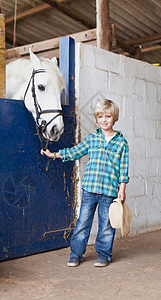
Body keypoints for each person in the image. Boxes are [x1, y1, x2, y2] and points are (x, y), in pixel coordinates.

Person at [41, 99, 129, 268]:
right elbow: (75, 151)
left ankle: (104, 255)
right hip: (89, 189)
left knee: (106, 225)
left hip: (109, 191)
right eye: (100, 116)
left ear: (114, 118)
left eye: (108, 116)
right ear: (97, 118)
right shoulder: (92, 138)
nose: (104, 120)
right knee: (83, 222)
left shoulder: (121, 142)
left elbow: (124, 169)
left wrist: (122, 190)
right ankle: (76, 254)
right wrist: (54, 155)